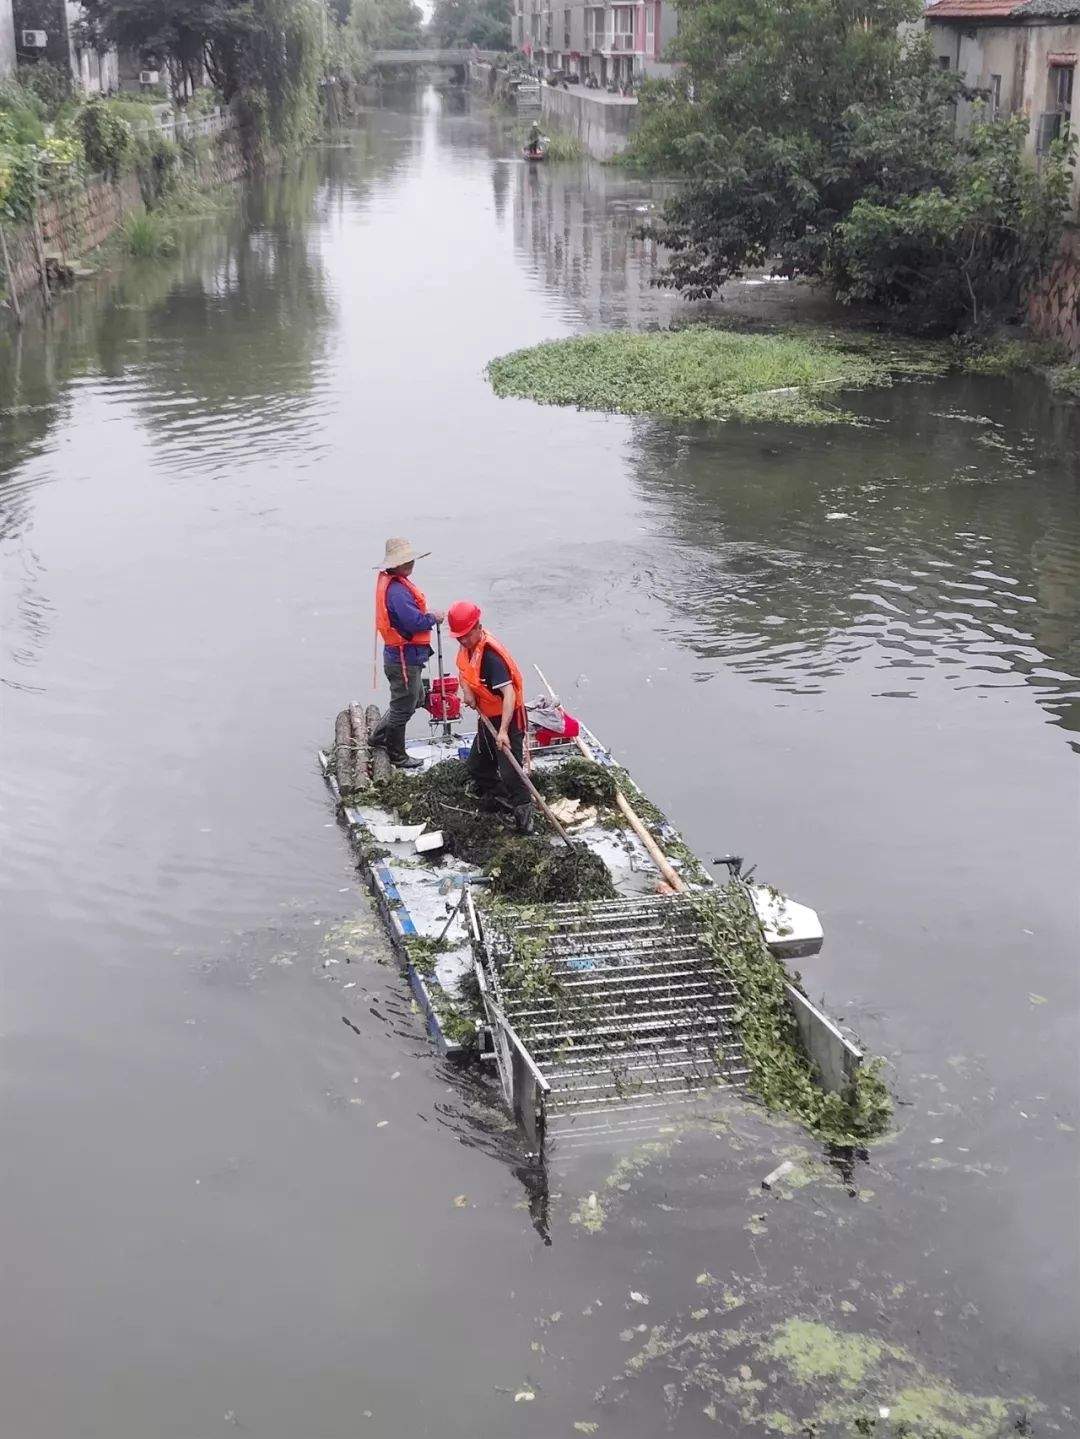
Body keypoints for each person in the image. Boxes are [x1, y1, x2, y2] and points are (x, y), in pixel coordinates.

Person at [447, 601, 534, 835]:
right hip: (487, 717)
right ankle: (500, 802)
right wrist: (467, 692)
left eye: (465, 635)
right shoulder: (467, 649)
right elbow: (464, 673)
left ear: (477, 627)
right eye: (459, 637)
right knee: (477, 766)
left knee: (510, 771)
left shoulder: (491, 659)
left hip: (509, 718)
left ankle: (524, 818)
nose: (462, 641)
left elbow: (509, 694)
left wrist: (504, 731)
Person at [371, 538, 444, 769]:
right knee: (403, 706)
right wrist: (433, 617)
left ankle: (378, 737)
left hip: (404, 657)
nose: (411, 564)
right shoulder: (397, 591)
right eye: (406, 561)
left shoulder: (397, 585)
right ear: (396, 564)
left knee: (414, 698)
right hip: (403, 660)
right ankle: (397, 755)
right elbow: (413, 621)